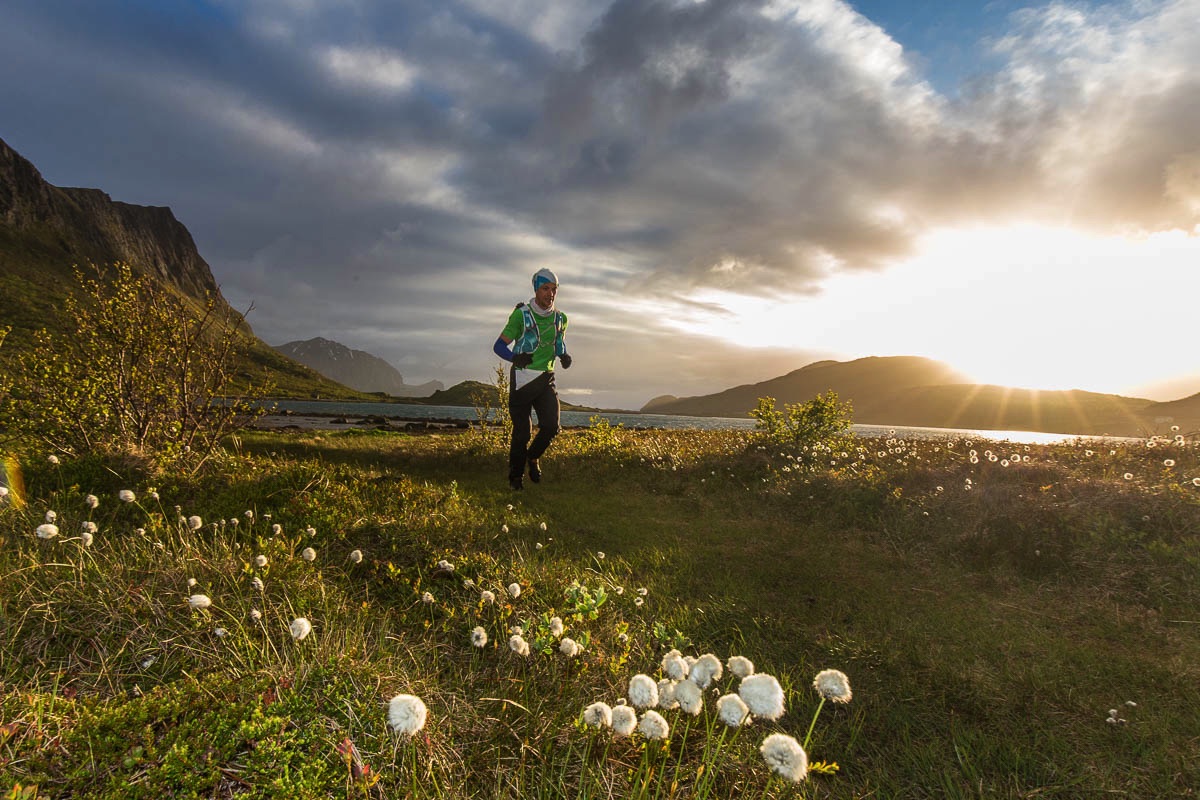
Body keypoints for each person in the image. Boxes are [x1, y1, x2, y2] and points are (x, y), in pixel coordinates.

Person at [492, 268, 572, 490]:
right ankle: (515, 478)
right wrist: (515, 357)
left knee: (551, 426)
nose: (551, 294)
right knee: (522, 433)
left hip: (546, 377)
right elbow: (498, 346)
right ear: (536, 289)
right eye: (546, 288)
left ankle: (533, 457)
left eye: (554, 289)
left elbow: (558, 343)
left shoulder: (561, 318)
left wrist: (563, 355)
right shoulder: (521, 315)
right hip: (523, 379)